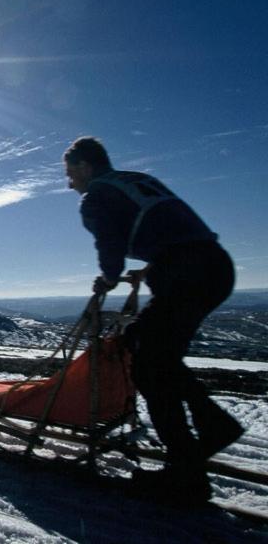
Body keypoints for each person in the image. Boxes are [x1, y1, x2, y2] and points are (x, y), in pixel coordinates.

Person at [63, 136, 244, 503]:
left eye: (70, 173)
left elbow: (109, 243)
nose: (70, 183)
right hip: (214, 264)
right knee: (152, 353)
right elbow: (172, 229)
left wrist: (111, 277)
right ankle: (211, 426)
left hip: (183, 272)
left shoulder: (96, 195)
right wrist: (151, 268)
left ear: (84, 166)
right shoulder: (133, 180)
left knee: (150, 366)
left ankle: (186, 471)